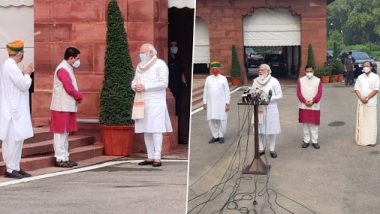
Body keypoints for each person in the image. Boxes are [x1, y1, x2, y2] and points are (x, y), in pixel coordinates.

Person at [132, 43, 172, 167]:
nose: (141, 55)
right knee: (146, 130)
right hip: (142, 101)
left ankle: (157, 157)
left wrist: (146, 87)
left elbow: (164, 83)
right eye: (140, 52)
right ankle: (149, 156)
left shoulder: (160, 64)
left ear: (151, 52)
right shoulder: (140, 66)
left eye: (143, 52)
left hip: (156, 101)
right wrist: (134, 86)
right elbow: (134, 81)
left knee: (156, 129)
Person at [0, 40, 34, 178]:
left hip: (16, 110)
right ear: (19, 54)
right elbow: (23, 85)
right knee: (11, 142)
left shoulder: (11, 66)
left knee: (18, 140)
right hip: (12, 112)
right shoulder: (10, 66)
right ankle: (10, 169)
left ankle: (16, 166)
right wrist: (27, 73)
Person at [50, 47, 82, 168]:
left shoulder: (67, 67)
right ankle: (59, 158)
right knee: (60, 133)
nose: (78, 61)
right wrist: (79, 96)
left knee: (65, 133)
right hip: (61, 106)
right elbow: (69, 88)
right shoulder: (63, 69)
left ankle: (65, 157)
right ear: (71, 58)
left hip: (66, 105)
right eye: (77, 58)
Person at [251, 64, 282, 158]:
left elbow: (280, 95)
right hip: (259, 108)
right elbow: (252, 92)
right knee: (260, 129)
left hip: (271, 108)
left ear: (268, 71)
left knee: (272, 130)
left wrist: (269, 98)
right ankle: (261, 148)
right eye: (259, 70)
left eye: (263, 70)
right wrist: (253, 95)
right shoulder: (256, 81)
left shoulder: (274, 81)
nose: (260, 71)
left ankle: (272, 149)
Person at [203, 61, 230, 144]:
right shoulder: (208, 79)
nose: (215, 70)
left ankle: (221, 135)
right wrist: (204, 102)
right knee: (212, 120)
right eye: (213, 68)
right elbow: (205, 91)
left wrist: (227, 103)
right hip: (211, 104)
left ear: (219, 69)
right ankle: (215, 136)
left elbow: (227, 91)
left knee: (222, 119)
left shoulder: (223, 78)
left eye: (216, 68)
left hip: (221, 103)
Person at [297, 65, 322, 149]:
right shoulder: (301, 80)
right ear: (305, 71)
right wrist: (304, 101)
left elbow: (319, 93)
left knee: (314, 125)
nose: (309, 73)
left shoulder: (318, 80)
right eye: (307, 71)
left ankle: (315, 141)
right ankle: (306, 141)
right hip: (303, 105)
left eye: (310, 71)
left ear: (313, 71)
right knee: (305, 124)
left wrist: (313, 101)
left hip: (314, 106)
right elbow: (298, 93)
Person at [354, 61, 379, 146]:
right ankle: (362, 140)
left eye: (367, 66)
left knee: (371, 122)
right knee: (362, 121)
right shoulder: (360, 77)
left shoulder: (376, 77)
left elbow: (376, 89)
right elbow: (356, 89)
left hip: (371, 103)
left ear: (371, 67)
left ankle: (371, 141)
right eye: (364, 66)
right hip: (361, 102)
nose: (366, 67)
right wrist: (361, 98)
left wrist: (367, 98)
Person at [168, 41, 187, 116]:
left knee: (178, 102)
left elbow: (182, 70)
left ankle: (178, 115)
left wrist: (184, 81)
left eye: (175, 46)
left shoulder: (178, 57)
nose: (174, 47)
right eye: (172, 46)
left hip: (178, 83)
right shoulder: (167, 58)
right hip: (170, 84)